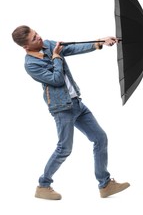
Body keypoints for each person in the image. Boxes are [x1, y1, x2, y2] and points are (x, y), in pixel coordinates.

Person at [12, 25, 130, 200]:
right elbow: (56, 80)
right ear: (26, 47)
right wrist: (57, 57)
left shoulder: (48, 45)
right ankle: (43, 185)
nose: (40, 38)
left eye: (37, 33)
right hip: (62, 109)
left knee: (100, 138)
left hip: (76, 103)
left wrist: (99, 42)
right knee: (64, 149)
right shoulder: (31, 65)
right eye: (34, 39)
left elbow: (72, 48)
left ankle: (105, 184)